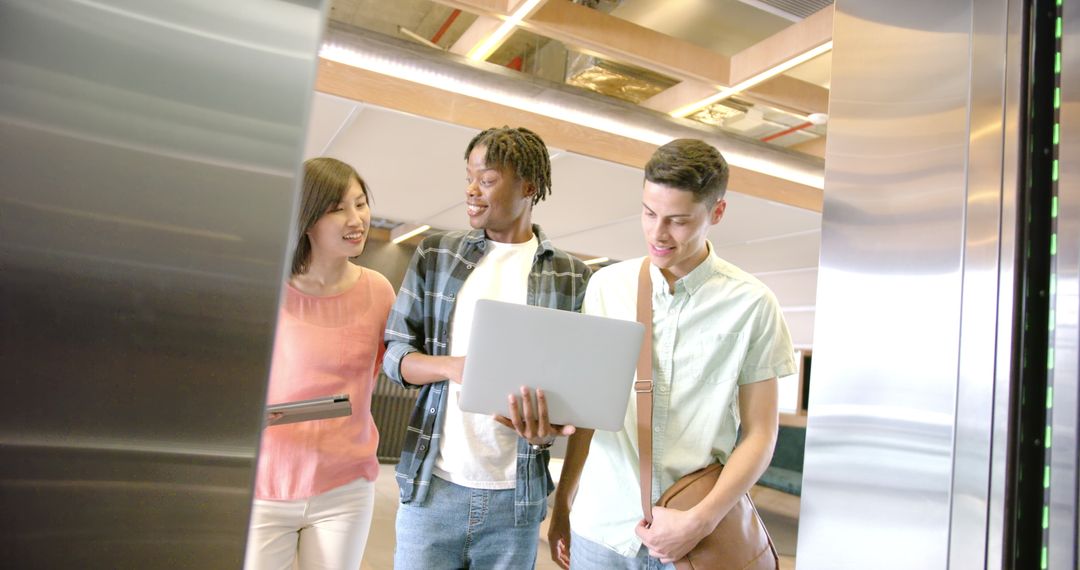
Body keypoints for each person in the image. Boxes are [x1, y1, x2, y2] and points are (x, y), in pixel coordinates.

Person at [548, 139, 795, 569]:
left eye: (678, 221)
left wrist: (701, 520)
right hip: (602, 532)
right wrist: (564, 505)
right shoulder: (606, 287)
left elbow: (760, 432)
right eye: (649, 213)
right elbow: (590, 416)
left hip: (695, 534)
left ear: (717, 212)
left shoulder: (753, 304)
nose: (658, 234)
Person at [383, 126, 591, 569]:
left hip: (516, 503)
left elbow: (576, 396)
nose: (472, 190)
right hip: (432, 489)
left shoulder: (572, 276)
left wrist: (546, 433)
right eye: (469, 177)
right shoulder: (437, 255)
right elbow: (395, 356)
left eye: (488, 179)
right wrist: (452, 367)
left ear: (528, 187)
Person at [244, 157, 395, 570]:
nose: (356, 219)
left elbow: (390, 367)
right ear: (308, 220)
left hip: (345, 487)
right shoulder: (268, 290)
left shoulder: (379, 291)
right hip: (266, 484)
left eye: (360, 204)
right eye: (337, 209)